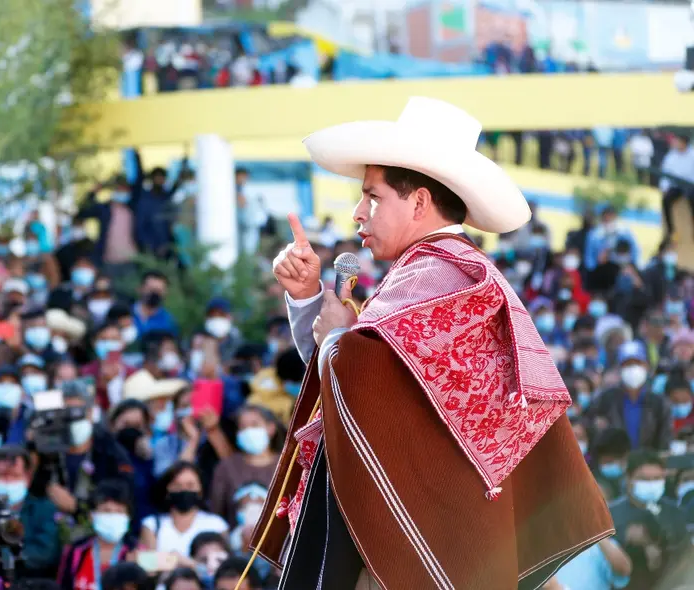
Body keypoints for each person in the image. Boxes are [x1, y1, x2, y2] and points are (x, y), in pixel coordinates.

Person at [259, 97, 612, 588]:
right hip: (422, 531)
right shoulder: (442, 271)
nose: (358, 212)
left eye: (373, 196)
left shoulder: (440, 275)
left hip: (412, 544)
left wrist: (338, 336)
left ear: (420, 202)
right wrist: (308, 304)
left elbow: (356, 373)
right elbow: (363, 395)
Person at [608, 451, 688, 588]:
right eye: (644, 479)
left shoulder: (675, 513)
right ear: (629, 479)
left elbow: (684, 556)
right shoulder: (611, 514)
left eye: (657, 478)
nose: (651, 484)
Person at [0, 445, 60, 577]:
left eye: (15, 476)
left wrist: (2, 558)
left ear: (28, 478)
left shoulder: (45, 510)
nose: (8, 481)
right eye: (2, 475)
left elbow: (46, 553)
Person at [588, 341, 673, 451]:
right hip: (616, 461)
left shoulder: (659, 403)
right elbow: (591, 425)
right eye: (627, 364)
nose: (633, 368)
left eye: (637, 363)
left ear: (646, 366)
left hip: (648, 463)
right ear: (620, 368)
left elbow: (664, 441)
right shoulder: (606, 399)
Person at [55, 479, 138, 590]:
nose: (113, 517)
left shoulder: (137, 551)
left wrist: (141, 565)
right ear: (92, 515)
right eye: (106, 511)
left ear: (128, 517)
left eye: (119, 511)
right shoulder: (75, 551)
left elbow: (167, 564)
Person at [208, 405, 280, 525]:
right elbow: (216, 513)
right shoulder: (226, 467)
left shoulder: (286, 466)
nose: (248, 431)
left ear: (271, 428)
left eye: (254, 425)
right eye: (243, 427)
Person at [140, 462, 228, 556]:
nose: (184, 490)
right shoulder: (152, 525)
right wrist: (175, 560)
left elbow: (222, 562)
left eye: (190, 485)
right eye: (177, 485)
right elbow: (145, 561)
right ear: (167, 490)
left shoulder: (216, 525)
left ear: (201, 490)